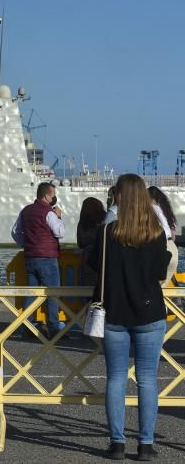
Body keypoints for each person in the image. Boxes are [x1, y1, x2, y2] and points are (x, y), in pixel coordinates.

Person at [88, 174, 171, 461]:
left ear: (119, 197)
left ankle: (117, 443)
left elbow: (92, 263)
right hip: (150, 313)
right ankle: (146, 444)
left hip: (114, 312)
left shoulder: (107, 233)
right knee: (147, 379)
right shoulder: (156, 233)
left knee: (116, 379)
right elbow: (161, 272)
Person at [11, 182, 65, 337]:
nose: (54, 197)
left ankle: (26, 326)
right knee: (52, 293)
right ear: (47, 195)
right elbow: (60, 232)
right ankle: (53, 328)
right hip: (47, 258)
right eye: (53, 194)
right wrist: (59, 216)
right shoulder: (49, 213)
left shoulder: (26, 211)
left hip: (30, 257)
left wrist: (26, 243)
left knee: (31, 293)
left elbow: (15, 232)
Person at [148, 186, 179, 285]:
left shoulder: (150, 209)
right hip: (173, 249)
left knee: (155, 288)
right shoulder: (166, 211)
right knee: (163, 288)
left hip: (161, 247)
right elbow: (174, 235)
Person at [77, 197, 107, 287]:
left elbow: (81, 242)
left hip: (88, 258)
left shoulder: (83, 222)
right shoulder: (105, 218)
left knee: (88, 289)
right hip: (103, 255)